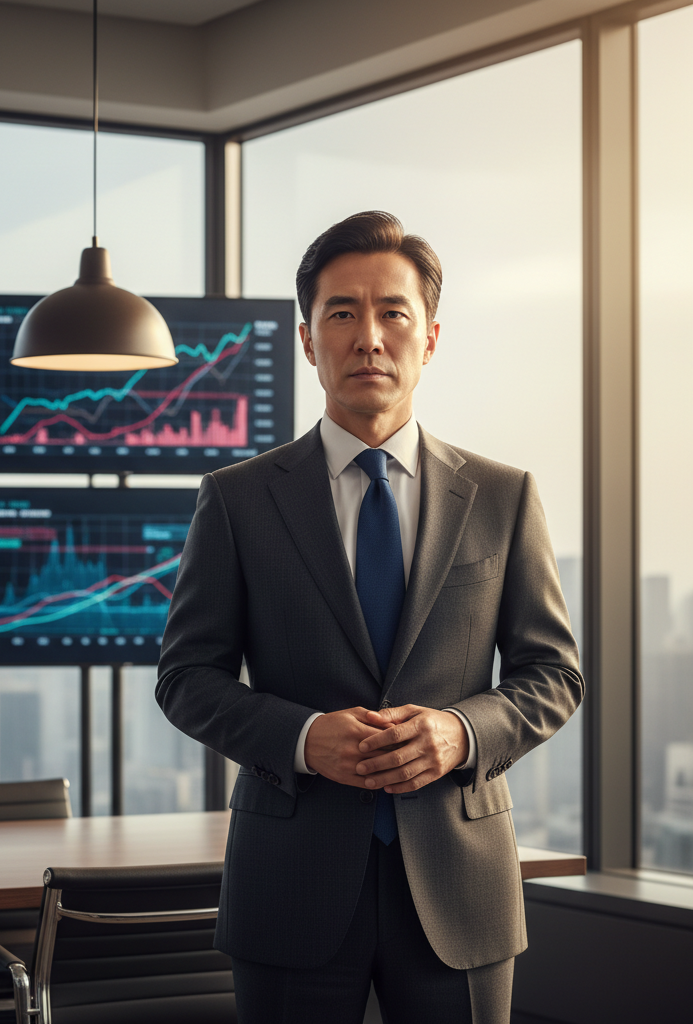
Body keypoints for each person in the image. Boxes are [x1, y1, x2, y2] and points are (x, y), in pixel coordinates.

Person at [155, 210, 584, 1024]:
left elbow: (554, 675)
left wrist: (461, 732)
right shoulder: (239, 499)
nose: (369, 337)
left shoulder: (502, 496)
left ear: (429, 339)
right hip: (291, 883)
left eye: (394, 313)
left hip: (461, 885)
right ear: (310, 340)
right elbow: (185, 680)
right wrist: (302, 738)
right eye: (341, 313)